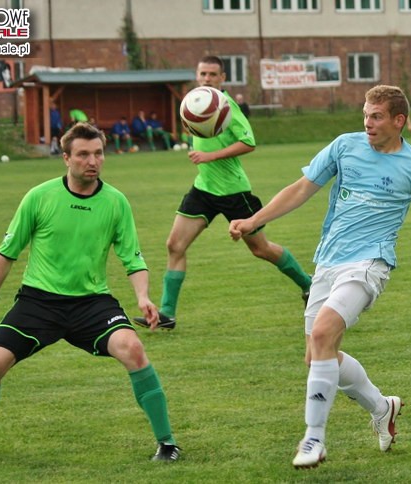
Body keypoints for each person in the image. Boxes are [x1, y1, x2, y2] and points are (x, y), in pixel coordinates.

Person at [0, 122, 181, 462]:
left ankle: (167, 443)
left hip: (92, 303)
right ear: (66, 158)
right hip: (39, 302)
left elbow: (132, 258)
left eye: (98, 154)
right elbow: (6, 254)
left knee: (133, 348)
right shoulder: (39, 197)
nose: (92, 161)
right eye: (83, 155)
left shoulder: (116, 202)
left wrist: (143, 297)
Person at [229, 85, 411, 469]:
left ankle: (313, 439)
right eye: (365, 114)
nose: (368, 123)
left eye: (376, 116)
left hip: (370, 263)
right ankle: (381, 407)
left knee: (322, 334)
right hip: (329, 261)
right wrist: (254, 220)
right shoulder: (345, 146)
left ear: (398, 120)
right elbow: (302, 189)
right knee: (317, 354)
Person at [133, 55, 311, 331]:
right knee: (174, 245)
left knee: (261, 249)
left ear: (222, 78)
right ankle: (167, 313)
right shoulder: (195, 102)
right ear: (197, 75)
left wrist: (210, 156)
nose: (207, 79)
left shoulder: (227, 106)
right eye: (203, 73)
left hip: (234, 192)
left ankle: (309, 285)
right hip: (203, 188)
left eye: (213, 74)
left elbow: (249, 142)